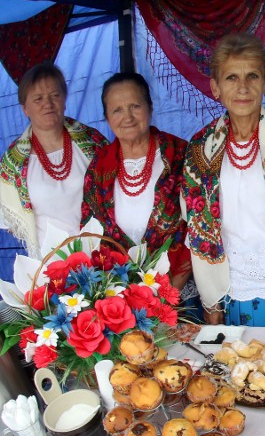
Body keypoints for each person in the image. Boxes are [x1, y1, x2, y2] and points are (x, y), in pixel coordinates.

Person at [182, 33, 265, 326]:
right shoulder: (200, 148)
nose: (242, 87)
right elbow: (197, 229)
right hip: (231, 295)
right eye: (231, 77)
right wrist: (211, 301)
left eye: (252, 76)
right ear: (215, 87)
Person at [81, 72, 191, 289]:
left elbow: (198, 227)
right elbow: (89, 233)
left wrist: (167, 293)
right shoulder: (98, 167)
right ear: (107, 117)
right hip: (121, 295)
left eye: (135, 106)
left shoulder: (179, 154)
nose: (128, 117)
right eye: (117, 110)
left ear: (150, 107)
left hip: (180, 290)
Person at [0, 63, 107, 258]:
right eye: (38, 99)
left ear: (65, 100)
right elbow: (9, 220)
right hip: (49, 267)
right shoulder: (13, 162)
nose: (48, 104)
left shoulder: (93, 143)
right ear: (25, 108)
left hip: (101, 258)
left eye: (55, 95)